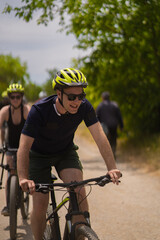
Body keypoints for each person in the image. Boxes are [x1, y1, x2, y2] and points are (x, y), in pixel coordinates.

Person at [17, 68, 122, 240]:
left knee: (79, 190)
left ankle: (80, 234)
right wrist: (22, 177)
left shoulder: (84, 107)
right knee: (40, 204)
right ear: (59, 93)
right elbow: (23, 146)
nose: (76, 101)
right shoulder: (39, 110)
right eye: (71, 97)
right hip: (38, 156)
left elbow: (100, 137)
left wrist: (112, 168)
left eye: (80, 96)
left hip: (65, 152)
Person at [0, 83, 30, 216]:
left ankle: (25, 193)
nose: (15, 99)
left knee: (25, 170)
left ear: (22, 97)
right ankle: (8, 205)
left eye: (18, 97)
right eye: (12, 97)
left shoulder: (26, 110)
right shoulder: (5, 111)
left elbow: (34, 128)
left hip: (25, 145)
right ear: (9, 98)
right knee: (11, 173)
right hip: (11, 145)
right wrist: (2, 145)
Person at [96, 91, 124, 157]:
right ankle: (113, 152)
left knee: (107, 140)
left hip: (105, 126)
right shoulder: (115, 105)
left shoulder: (100, 106)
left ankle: (109, 154)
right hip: (114, 125)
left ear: (102, 98)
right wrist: (121, 126)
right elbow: (119, 116)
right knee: (114, 140)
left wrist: (97, 127)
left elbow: (97, 117)